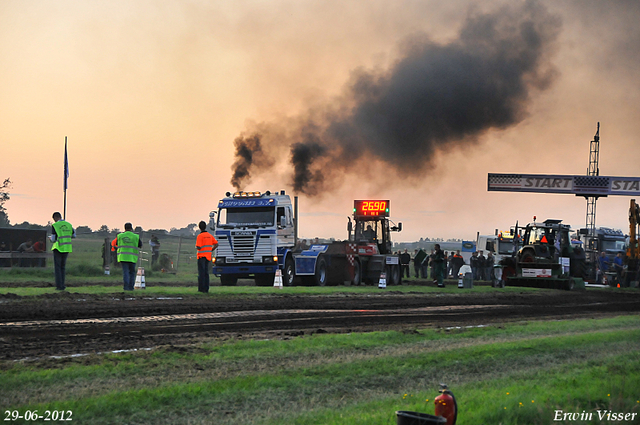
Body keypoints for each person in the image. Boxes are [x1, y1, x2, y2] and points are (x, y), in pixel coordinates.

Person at [50, 212, 75, 290]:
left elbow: (53, 239)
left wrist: (50, 238)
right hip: (67, 248)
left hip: (58, 248)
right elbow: (74, 235)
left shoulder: (55, 225)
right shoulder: (69, 225)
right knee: (63, 267)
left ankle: (59, 286)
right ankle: (63, 285)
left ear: (55, 218)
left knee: (57, 268)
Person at [113, 223, 142, 291]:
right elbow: (140, 245)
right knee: (132, 273)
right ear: (131, 228)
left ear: (124, 228)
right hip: (132, 257)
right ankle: (131, 288)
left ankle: (126, 287)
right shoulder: (136, 236)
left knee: (125, 272)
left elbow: (116, 243)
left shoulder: (120, 236)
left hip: (123, 257)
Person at [195, 220, 218, 293]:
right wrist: (210, 250)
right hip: (208, 256)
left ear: (199, 228)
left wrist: (196, 247)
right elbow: (216, 244)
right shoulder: (209, 236)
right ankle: (206, 288)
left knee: (201, 273)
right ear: (205, 227)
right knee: (206, 273)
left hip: (201, 256)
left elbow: (198, 247)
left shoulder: (200, 236)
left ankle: (201, 289)